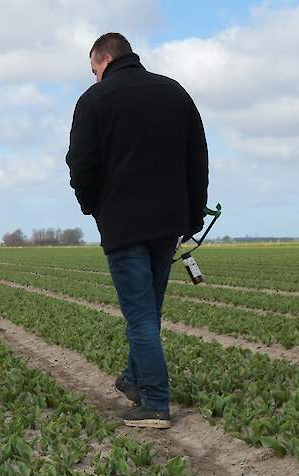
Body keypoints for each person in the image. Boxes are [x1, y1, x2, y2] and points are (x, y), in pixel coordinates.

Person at [66, 33, 208, 429]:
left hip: (124, 225)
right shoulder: (174, 93)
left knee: (141, 316)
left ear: (103, 59)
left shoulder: (93, 101)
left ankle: (156, 403)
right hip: (168, 223)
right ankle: (133, 380)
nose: (95, 77)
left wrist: (93, 206)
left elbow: (80, 164)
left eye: (94, 70)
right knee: (150, 310)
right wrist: (192, 216)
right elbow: (197, 158)